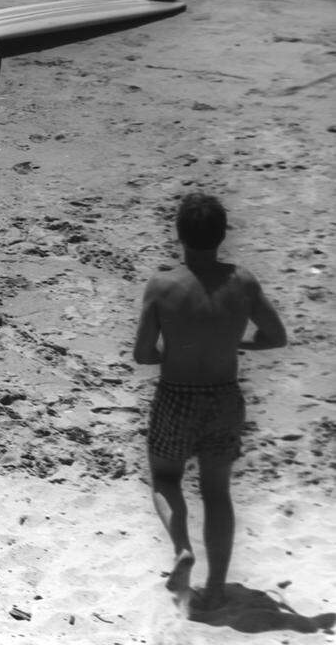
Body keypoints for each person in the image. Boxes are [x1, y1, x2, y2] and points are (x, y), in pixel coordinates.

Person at [133, 192, 286, 610]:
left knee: (165, 479)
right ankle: (216, 588)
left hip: (176, 396)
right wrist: (237, 346)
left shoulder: (163, 284)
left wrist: (176, 354)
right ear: (223, 235)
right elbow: (276, 337)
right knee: (217, 492)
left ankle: (182, 548)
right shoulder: (243, 281)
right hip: (223, 398)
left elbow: (143, 353)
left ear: (179, 234)